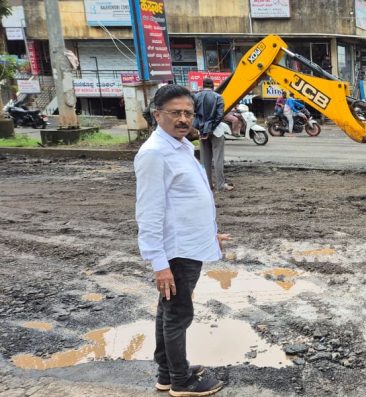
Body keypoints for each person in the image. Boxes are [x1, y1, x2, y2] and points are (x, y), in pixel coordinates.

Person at [134, 84, 229, 396]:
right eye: (175, 113)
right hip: (176, 251)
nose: (184, 119)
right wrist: (159, 264)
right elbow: (149, 212)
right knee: (178, 314)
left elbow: (185, 203)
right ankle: (181, 381)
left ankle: (167, 373)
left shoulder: (181, 146)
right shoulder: (155, 154)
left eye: (188, 112)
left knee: (168, 310)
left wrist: (210, 234)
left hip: (189, 244)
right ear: (157, 115)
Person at [193, 78, 233, 192]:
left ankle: (207, 185)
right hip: (216, 131)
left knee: (205, 159)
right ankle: (220, 185)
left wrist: (203, 128)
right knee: (218, 159)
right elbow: (220, 115)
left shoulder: (196, 97)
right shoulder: (218, 97)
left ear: (203, 85)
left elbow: (194, 113)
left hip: (202, 131)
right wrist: (211, 128)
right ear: (213, 86)